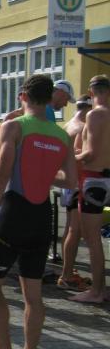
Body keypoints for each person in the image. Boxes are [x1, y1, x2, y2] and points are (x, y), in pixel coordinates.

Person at [0, 74, 76, 349]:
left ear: (23, 97)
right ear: (50, 99)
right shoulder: (62, 136)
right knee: (33, 293)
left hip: (14, 212)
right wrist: (43, 174)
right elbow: (70, 180)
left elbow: (1, 174)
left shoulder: (14, 126)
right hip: (42, 216)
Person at [70, 74, 110, 304]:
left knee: (92, 239)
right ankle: (101, 288)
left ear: (91, 92)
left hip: (94, 180)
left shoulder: (95, 114)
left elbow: (91, 154)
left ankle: (97, 291)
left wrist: (69, 157)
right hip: (107, 178)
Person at [57, 94, 92, 291]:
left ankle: (67, 270)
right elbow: (78, 155)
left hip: (68, 180)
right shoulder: (82, 127)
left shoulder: (68, 124)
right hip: (76, 181)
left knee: (70, 229)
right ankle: (67, 274)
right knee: (74, 230)